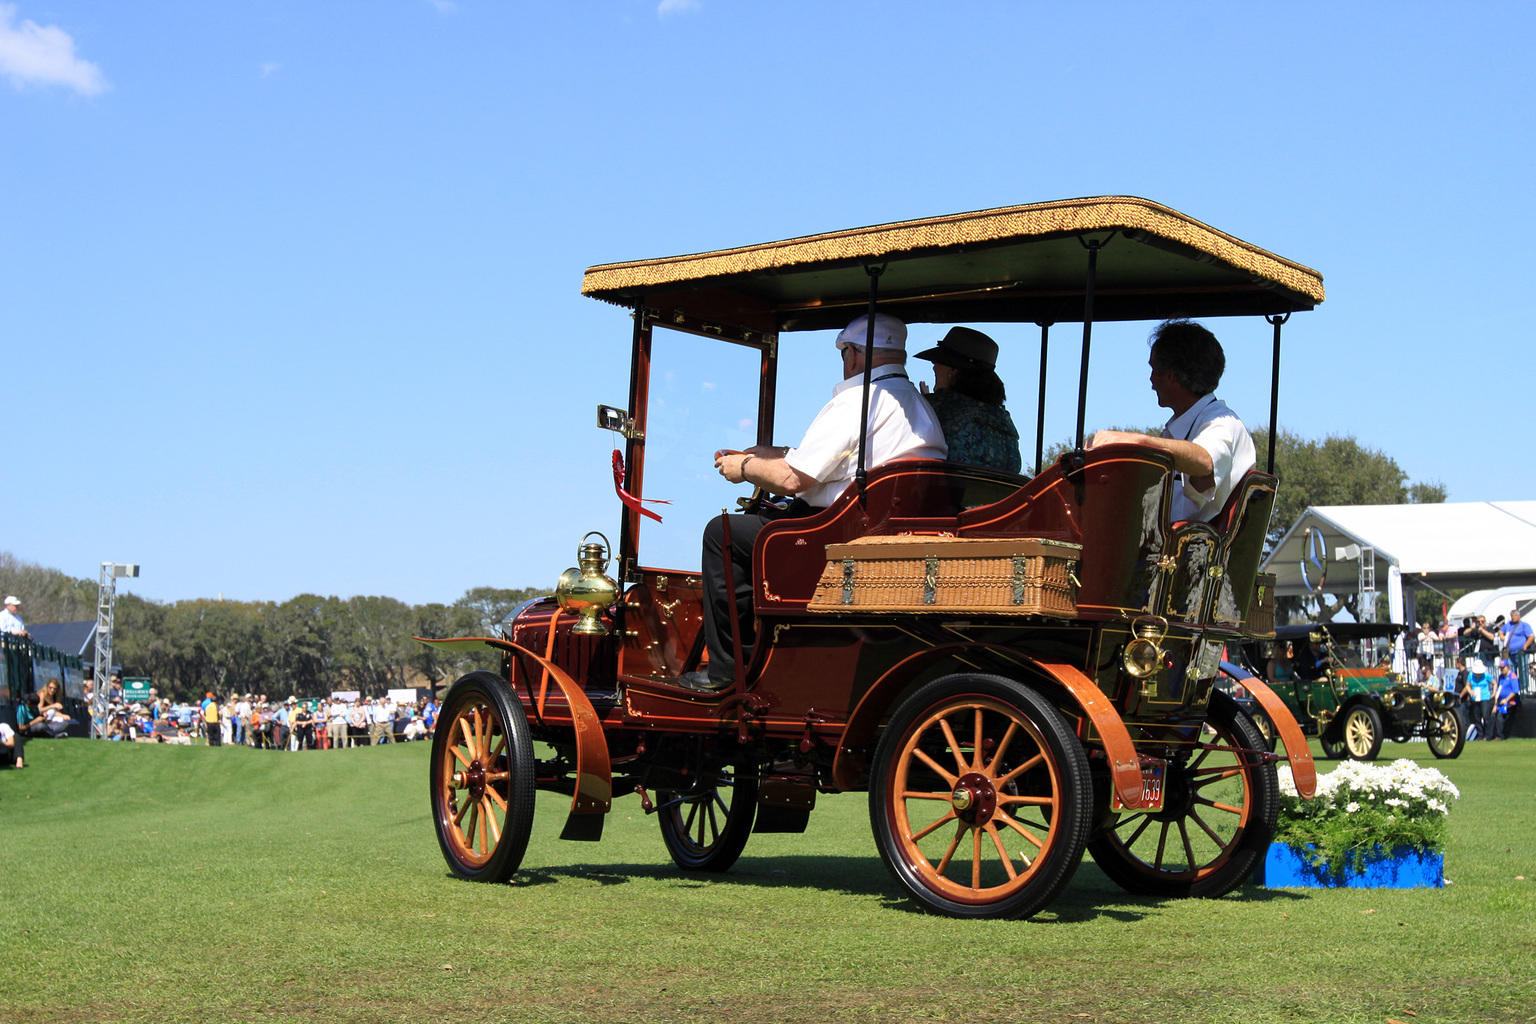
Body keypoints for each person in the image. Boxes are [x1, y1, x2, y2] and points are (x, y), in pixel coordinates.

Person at [686, 312, 947, 690]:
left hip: (832, 542)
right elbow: (842, 463)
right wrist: (769, 454)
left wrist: (743, 466)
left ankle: (727, 671)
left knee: (722, 533)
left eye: (844, 355)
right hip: (880, 536)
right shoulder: (919, 408)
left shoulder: (858, 402)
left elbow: (794, 479)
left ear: (853, 355)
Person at [1087, 319, 1255, 523]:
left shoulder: (1221, 423)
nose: (1151, 380)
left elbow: (1204, 461)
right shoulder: (1184, 427)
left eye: (1154, 369)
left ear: (1171, 376)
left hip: (1180, 553)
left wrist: (1137, 442)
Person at [913, 326, 1022, 474]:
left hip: (947, 495)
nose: (934, 366)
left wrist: (926, 404)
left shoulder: (938, 408)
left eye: (939, 361)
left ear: (953, 370)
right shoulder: (1004, 421)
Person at [1500, 608, 1533, 694]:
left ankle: (1524, 688)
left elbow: (1531, 636)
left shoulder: (1524, 625)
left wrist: (1525, 646)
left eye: (1514, 615)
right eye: (1512, 616)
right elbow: (1500, 630)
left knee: (1523, 670)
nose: (1513, 617)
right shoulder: (1508, 625)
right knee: (1511, 671)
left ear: (1519, 616)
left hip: (1521, 653)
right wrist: (1502, 636)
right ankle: (1514, 689)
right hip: (1510, 654)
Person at [1461, 658, 1494, 740]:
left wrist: (1493, 693)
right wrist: (1470, 691)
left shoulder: (1486, 675)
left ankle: (1488, 735)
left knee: (1486, 716)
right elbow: (1467, 685)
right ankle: (1480, 735)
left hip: (1485, 698)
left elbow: (1494, 683)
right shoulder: (1470, 675)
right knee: (1476, 718)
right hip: (1475, 698)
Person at [1492, 660, 1520, 740]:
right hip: (1501, 701)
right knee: (1493, 714)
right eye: (1501, 668)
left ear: (1508, 667)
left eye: (1503, 668)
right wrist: (1496, 703)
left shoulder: (1513, 676)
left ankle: (1500, 736)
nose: (1502, 670)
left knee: (1500, 716)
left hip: (1510, 701)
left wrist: (1506, 699)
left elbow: (1515, 691)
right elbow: (1498, 690)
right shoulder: (1501, 677)